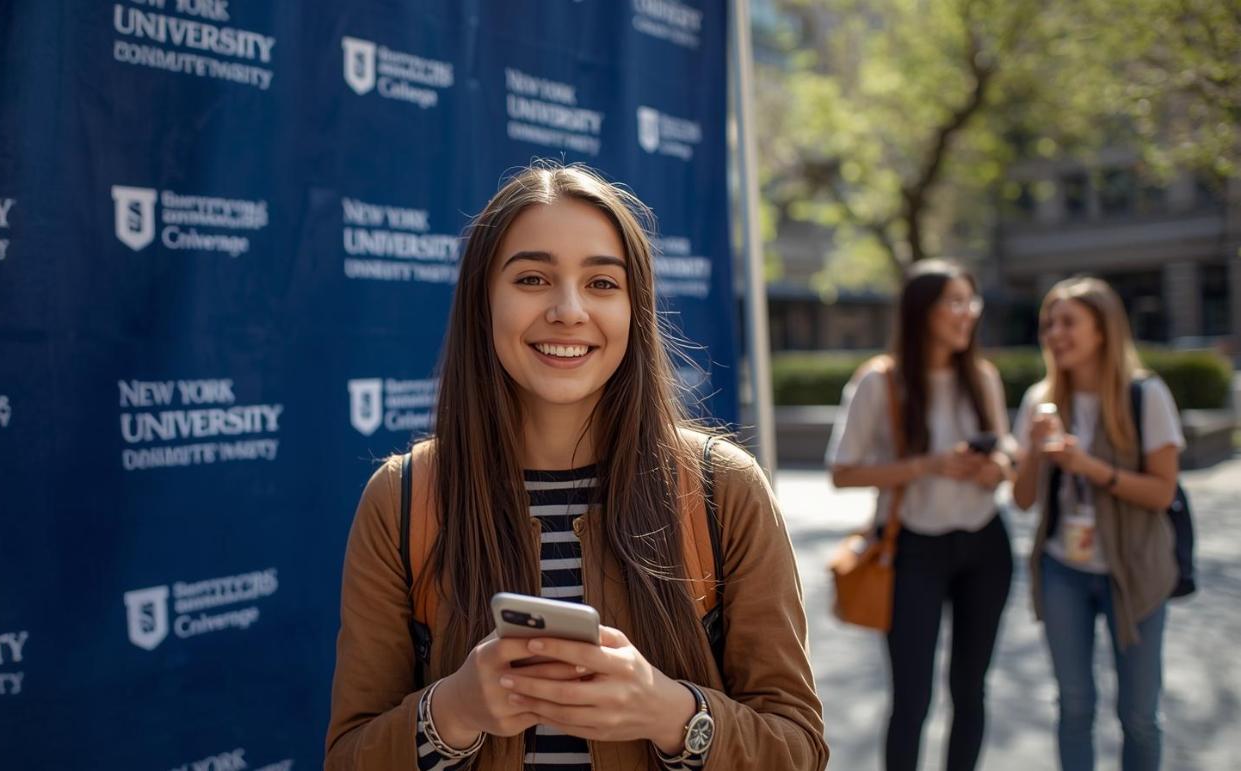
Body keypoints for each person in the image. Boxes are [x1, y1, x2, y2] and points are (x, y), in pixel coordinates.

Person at [324, 163, 827, 771]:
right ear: (483, 300)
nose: (568, 310)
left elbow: (798, 749)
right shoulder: (404, 499)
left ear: (634, 308)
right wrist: (452, 711)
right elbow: (348, 756)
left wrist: (671, 713)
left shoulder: (723, 490)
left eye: (602, 284)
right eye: (532, 278)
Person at [827, 259, 1014, 771]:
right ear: (921, 311)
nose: (967, 313)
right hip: (912, 547)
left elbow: (1006, 457)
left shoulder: (982, 377)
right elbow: (842, 471)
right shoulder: (879, 381)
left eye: (970, 301)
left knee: (970, 690)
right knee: (912, 699)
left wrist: (992, 468)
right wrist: (928, 466)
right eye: (954, 302)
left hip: (985, 544)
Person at [1011, 276, 1183, 771]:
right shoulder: (1039, 401)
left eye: (1068, 322)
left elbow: (1162, 491)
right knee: (1074, 706)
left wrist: (1088, 467)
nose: (1054, 333)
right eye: (1048, 323)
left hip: (1136, 570)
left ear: (1103, 330)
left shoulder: (1144, 396)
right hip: (1065, 569)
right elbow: (1023, 501)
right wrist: (1035, 455)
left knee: (1138, 715)